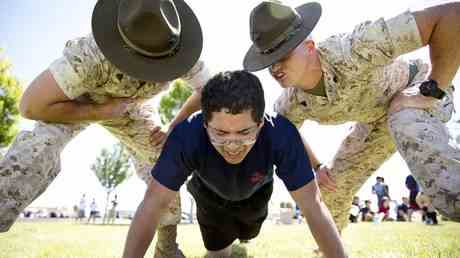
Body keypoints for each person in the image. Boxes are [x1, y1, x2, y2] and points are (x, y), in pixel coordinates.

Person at [0, 0, 210, 257]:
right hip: (74, 103)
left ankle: (166, 248)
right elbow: (30, 106)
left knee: (165, 157)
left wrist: (173, 126)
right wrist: (99, 111)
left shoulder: (178, 49)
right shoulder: (88, 55)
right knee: (37, 149)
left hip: (130, 109)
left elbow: (208, 89)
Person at [243, 1, 460, 231]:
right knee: (330, 186)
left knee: (403, 115)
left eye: (283, 54)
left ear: (309, 46)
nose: (275, 67)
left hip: (419, 90)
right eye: (269, 59)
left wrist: (432, 91)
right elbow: (286, 130)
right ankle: (332, 248)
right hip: (376, 123)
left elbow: (450, 15)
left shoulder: (355, 49)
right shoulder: (292, 102)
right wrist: (317, 167)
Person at [122, 71, 347, 258]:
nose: (232, 145)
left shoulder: (281, 134)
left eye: (244, 132)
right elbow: (153, 203)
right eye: (220, 133)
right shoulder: (187, 136)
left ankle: (244, 233)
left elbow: (312, 205)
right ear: (205, 124)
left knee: (248, 232)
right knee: (219, 254)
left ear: (260, 124)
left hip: (255, 195)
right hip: (209, 196)